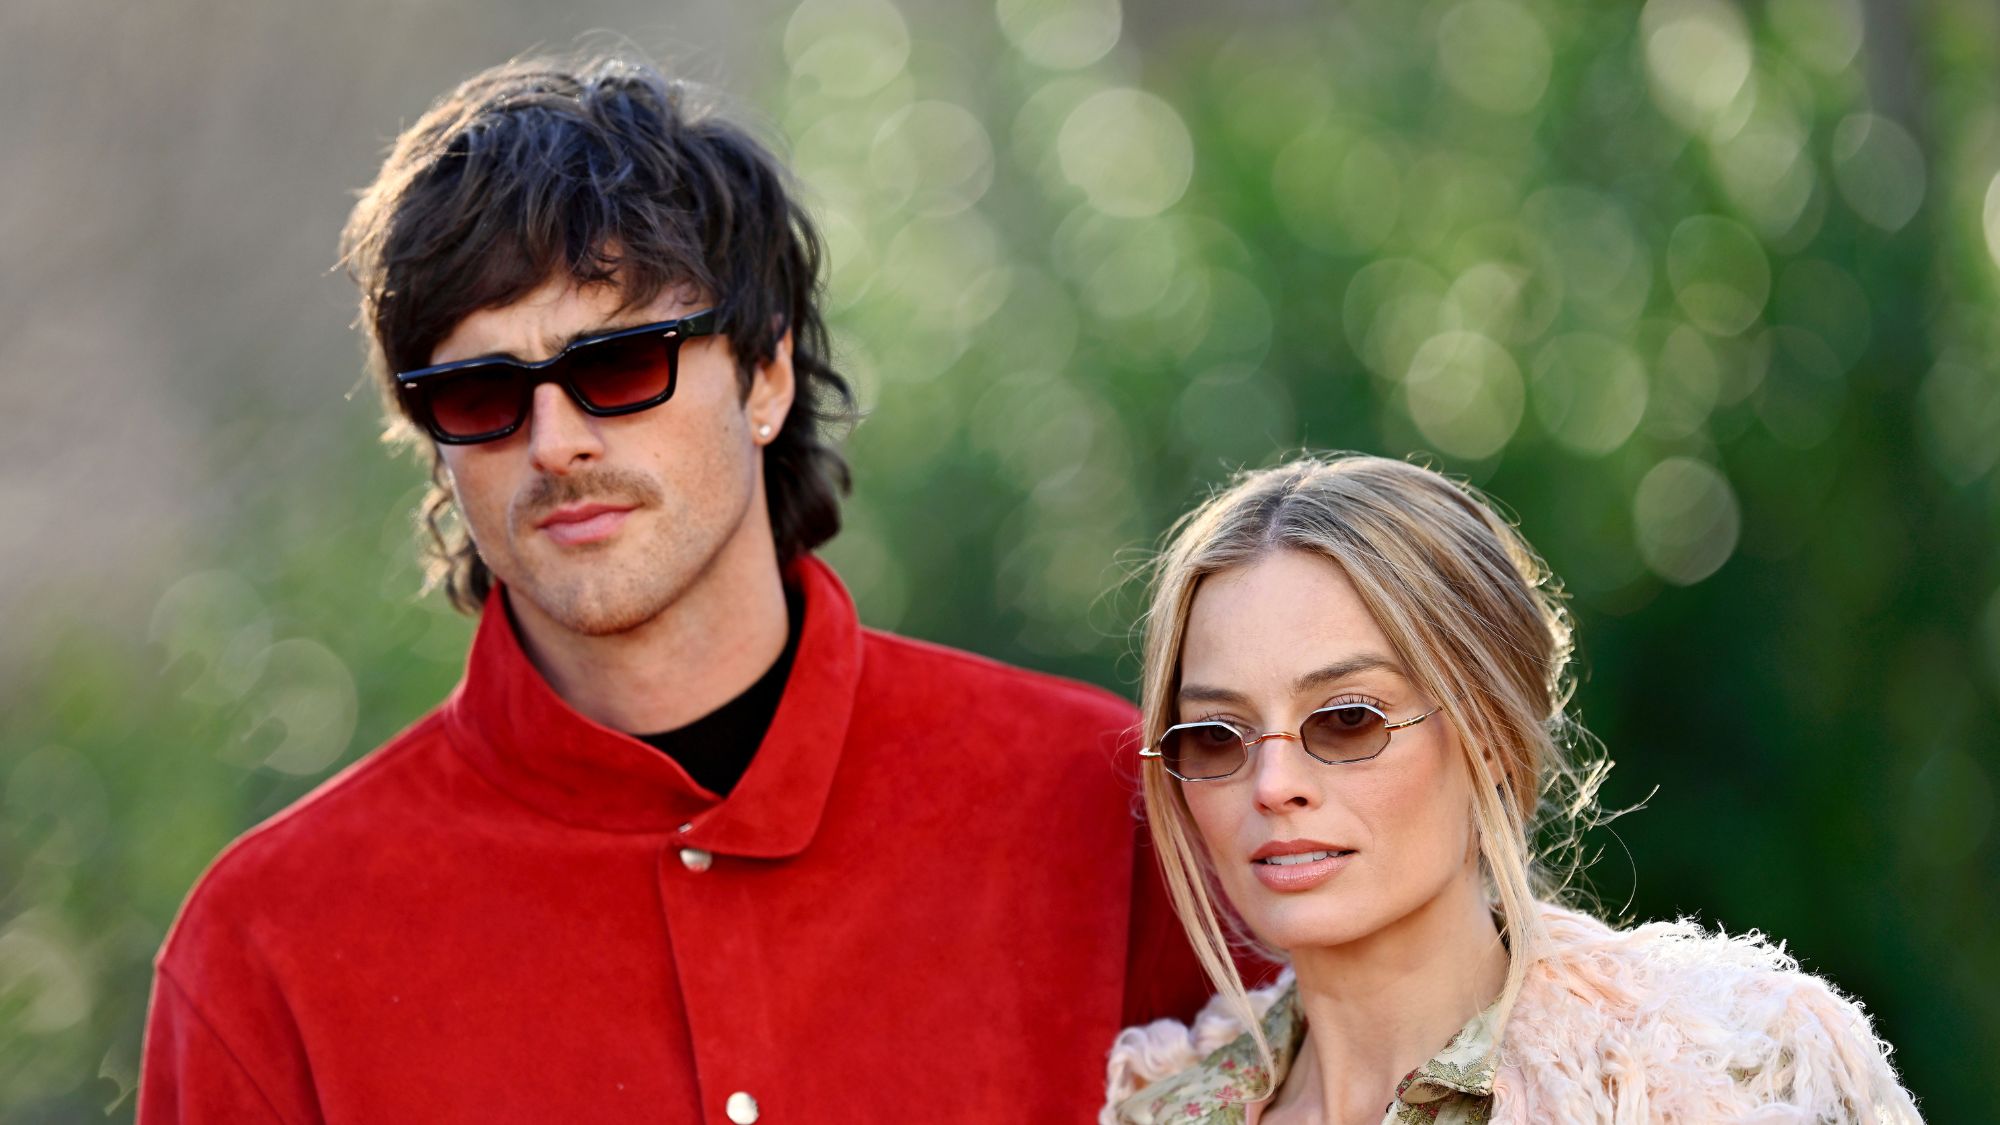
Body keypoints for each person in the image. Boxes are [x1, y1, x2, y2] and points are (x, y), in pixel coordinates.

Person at [138, 54, 1211, 1123]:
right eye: (479, 390)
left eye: (617, 365)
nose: (554, 443)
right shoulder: (266, 947)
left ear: (766, 378)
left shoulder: (1103, 812)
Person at [1103, 454, 1922, 1124]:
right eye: (1216, 735)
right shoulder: (1154, 1112)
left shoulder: (1732, 1078)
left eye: (1347, 719)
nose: (1274, 784)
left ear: (1492, 731)